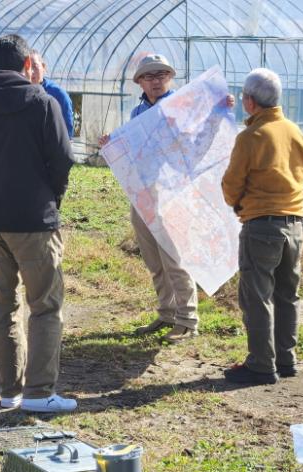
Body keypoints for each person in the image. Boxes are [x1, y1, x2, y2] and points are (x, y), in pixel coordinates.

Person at [0, 34, 76, 413]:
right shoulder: (43, 104)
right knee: (44, 306)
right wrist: (49, 200)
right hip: (35, 221)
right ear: (27, 65)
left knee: (3, 304)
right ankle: (41, 393)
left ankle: (10, 390)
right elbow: (61, 161)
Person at [100, 54, 234, 342]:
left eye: (161, 75)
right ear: (140, 82)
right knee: (153, 259)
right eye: (149, 76)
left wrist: (217, 113)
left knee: (175, 257)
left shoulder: (181, 107)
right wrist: (113, 146)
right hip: (144, 196)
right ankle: (167, 312)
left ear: (170, 78)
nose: (156, 80)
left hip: (173, 195)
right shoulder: (138, 114)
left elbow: (199, 142)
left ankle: (188, 319)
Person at [221, 68, 303, 385]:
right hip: (296, 224)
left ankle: (261, 364)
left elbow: (231, 184)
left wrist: (238, 204)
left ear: (250, 102)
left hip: (262, 226)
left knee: (257, 296)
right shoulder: (296, 132)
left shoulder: (250, 137)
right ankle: (286, 360)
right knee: (288, 294)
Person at [29, 49, 74, 138]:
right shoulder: (19, 93)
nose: (32, 72)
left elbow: (67, 133)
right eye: (28, 67)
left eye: (35, 66)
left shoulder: (58, 94)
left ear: (43, 67)